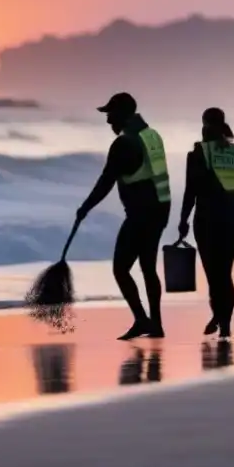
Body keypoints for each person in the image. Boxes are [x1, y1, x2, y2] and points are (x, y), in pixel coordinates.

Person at [76, 92, 170, 340]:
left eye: (111, 114)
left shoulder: (124, 143)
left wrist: (85, 207)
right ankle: (156, 324)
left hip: (141, 212)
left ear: (124, 114)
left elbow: (106, 180)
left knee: (120, 269)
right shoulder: (152, 135)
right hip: (161, 208)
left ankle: (141, 320)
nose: (109, 121)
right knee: (148, 267)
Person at [178, 107, 234, 339]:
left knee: (214, 275)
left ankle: (221, 319)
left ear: (204, 125)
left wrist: (183, 220)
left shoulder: (199, 152)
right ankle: (223, 321)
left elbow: (192, 190)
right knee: (224, 273)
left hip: (209, 221)